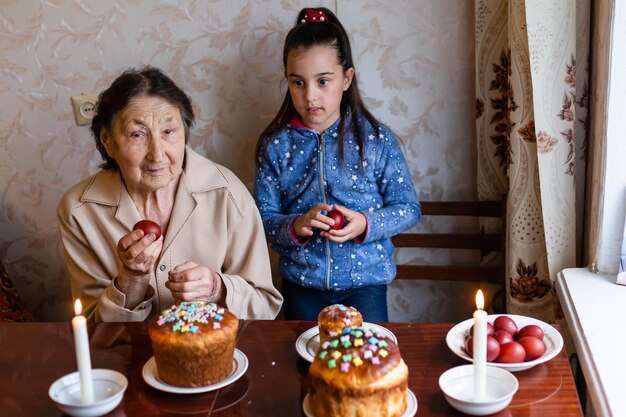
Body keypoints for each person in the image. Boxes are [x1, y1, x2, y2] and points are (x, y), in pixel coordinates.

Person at [58, 66, 282, 322]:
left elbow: (265, 306)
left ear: (184, 133)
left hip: (211, 354)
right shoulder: (79, 210)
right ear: (108, 140)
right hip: (127, 357)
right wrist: (131, 280)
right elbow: (92, 329)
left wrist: (216, 289)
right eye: (137, 134)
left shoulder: (226, 192)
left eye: (168, 132)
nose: (157, 154)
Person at [254, 7, 420, 322]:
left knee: (366, 364)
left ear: (346, 79)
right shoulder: (275, 145)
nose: (310, 96)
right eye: (298, 82)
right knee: (303, 363)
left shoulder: (375, 139)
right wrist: (296, 226)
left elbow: (408, 208)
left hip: (365, 285)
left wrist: (365, 224)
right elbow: (262, 219)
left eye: (323, 81)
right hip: (302, 284)